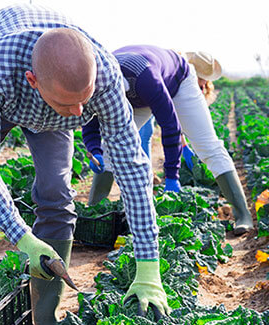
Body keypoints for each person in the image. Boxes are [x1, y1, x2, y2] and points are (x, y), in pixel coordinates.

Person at [0, 5, 169, 325]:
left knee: (57, 199)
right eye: (69, 103)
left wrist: (149, 264)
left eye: (84, 101)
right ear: (34, 81)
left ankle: (46, 323)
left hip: (53, 108)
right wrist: (24, 240)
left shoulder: (103, 77)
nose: (80, 113)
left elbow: (133, 168)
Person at [82, 46, 254, 235]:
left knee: (207, 146)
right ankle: (93, 215)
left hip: (177, 82)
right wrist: (95, 149)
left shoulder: (148, 80)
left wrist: (172, 176)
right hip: (136, 91)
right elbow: (92, 117)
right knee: (109, 148)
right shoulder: (98, 79)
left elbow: (171, 127)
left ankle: (242, 215)